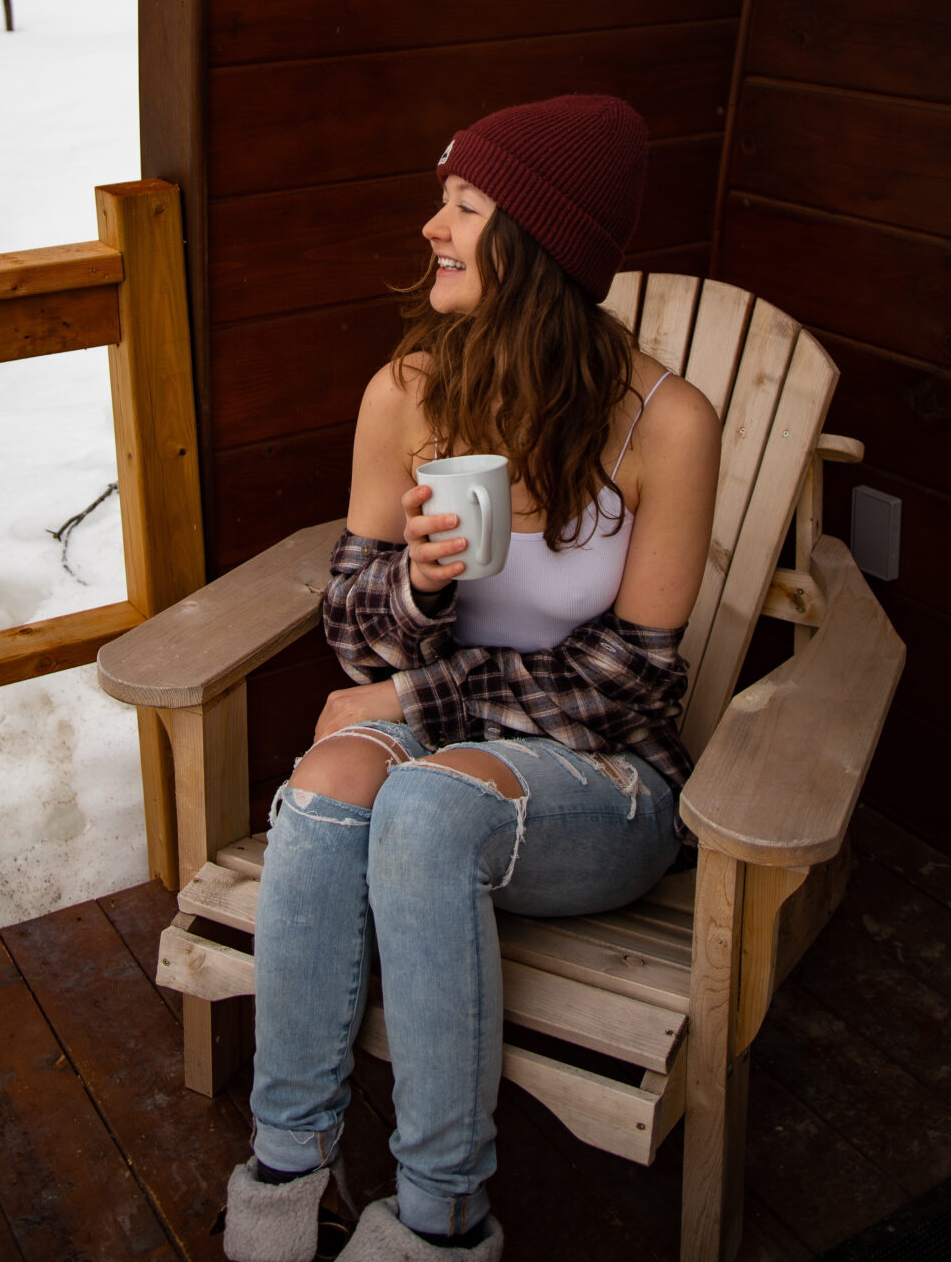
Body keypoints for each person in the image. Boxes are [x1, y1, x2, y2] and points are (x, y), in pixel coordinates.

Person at [223, 95, 721, 1262]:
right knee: (332, 783)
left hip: (605, 788)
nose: (429, 228)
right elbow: (351, 627)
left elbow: (625, 688)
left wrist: (414, 694)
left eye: (462, 205)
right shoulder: (407, 390)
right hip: (452, 758)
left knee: (425, 798)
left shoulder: (667, 424)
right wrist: (420, 593)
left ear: (537, 240)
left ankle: (443, 1217)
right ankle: (284, 1174)